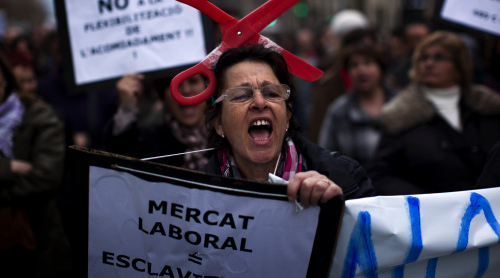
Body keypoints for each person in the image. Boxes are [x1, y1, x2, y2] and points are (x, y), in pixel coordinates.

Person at [200, 44, 375, 207]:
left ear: (288, 114)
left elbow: (373, 237)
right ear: (219, 123)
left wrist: (337, 209)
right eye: (240, 96)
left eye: (272, 92)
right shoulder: (195, 198)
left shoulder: (346, 177)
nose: (260, 102)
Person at [367, 31, 500, 195]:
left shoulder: (488, 107)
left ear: (460, 66)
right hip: (431, 215)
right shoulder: (400, 115)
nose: (429, 63)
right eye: (424, 58)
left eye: (440, 57)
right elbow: (380, 175)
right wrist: (426, 201)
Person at [0, 54, 71, 276]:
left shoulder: (39, 116)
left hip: (37, 237)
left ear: (5, 80)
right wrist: (9, 167)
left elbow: (45, 177)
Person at [103, 73, 210, 171]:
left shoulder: (223, 136)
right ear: (162, 96)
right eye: (174, 83)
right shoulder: (149, 142)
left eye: (193, 81)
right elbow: (118, 157)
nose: (186, 90)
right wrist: (127, 107)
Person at [319, 44, 398, 167]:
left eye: (368, 63)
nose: (361, 70)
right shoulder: (339, 111)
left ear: (380, 68)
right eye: (354, 65)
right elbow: (326, 156)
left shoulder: (401, 104)